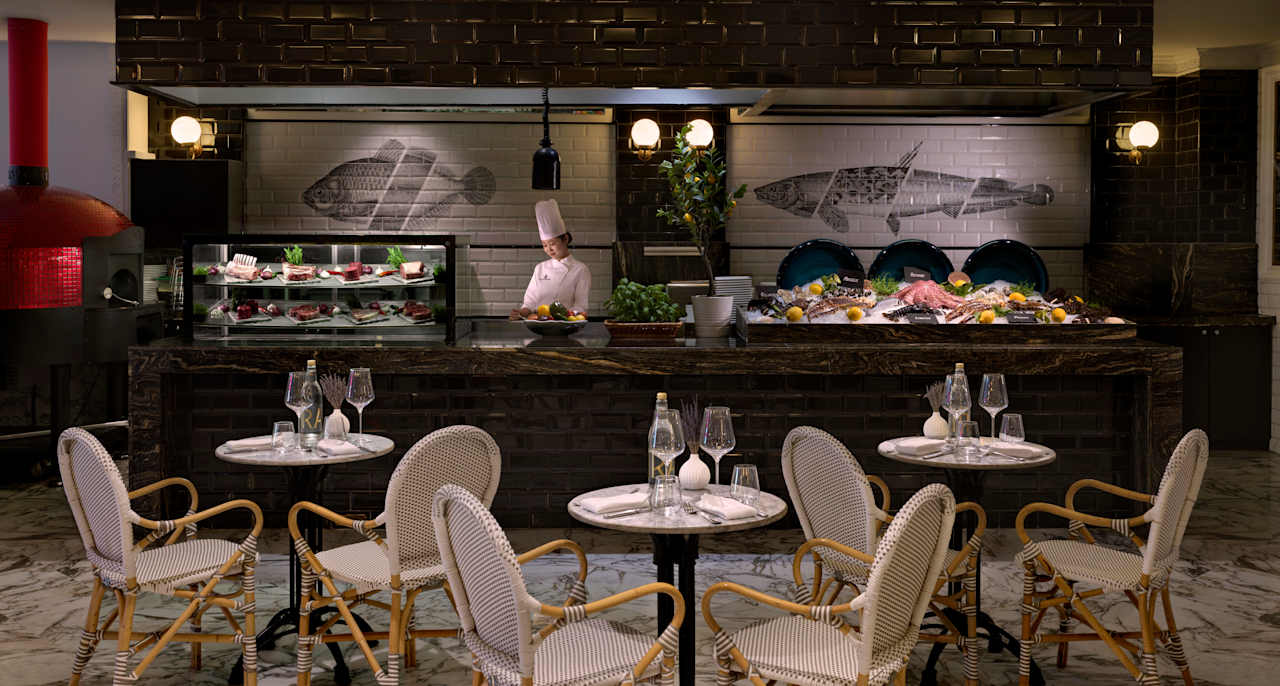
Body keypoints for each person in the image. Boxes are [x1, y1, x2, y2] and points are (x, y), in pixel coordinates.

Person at [510, 198, 591, 319]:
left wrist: (559, 317)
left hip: (565, 324)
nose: (549, 249)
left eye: (552, 244)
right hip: (539, 323)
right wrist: (521, 313)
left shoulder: (580, 269)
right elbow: (530, 302)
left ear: (565, 239)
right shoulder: (540, 268)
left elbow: (581, 306)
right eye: (544, 245)